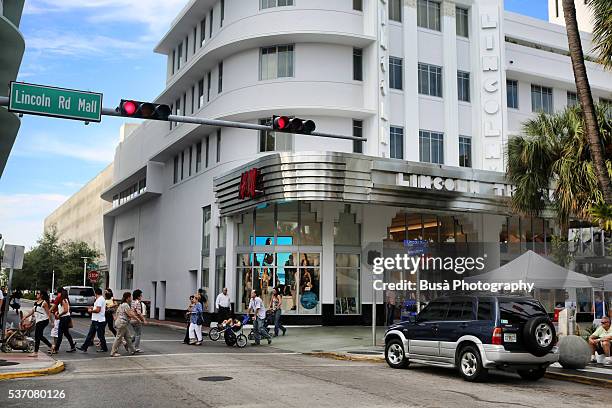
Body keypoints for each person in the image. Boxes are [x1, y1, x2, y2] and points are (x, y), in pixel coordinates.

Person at [21, 290, 52, 357]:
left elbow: (48, 313)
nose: (36, 294)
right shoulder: (36, 303)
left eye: (38, 293)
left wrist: (52, 322)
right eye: (36, 293)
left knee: (37, 336)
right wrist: (25, 317)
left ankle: (36, 352)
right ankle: (51, 346)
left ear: (41, 295)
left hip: (44, 320)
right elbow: (32, 312)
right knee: (39, 336)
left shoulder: (44, 303)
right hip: (38, 321)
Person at [78, 288, 108, 353]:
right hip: (96, 320)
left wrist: (91, 310)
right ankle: (84, 347)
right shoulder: (99, 299)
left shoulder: (100, 299)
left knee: (100, 335)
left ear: (96, 293)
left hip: (99, 320)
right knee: (90, 334)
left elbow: (98, 310)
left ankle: (104, 348)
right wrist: (92, 307)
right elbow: (97, 308)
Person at [110, 292, 139, 357]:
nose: (131, 298)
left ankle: (133, 350)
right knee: (119, 338)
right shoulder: (125, 305)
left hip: (122, 323)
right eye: (130, 297)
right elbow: (130, 314)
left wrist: (116, 321)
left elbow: (117, 313)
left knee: (128, 337)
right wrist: (138, 319)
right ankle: (113, 352)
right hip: (122, 323)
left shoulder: (121, 304)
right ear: (127, 298)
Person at [51, 288, 76, 354]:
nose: (59, 294)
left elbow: (66, 310)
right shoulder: (65, 300)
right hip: (65, 318)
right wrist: (58, 312)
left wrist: (59, 314)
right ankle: (72, 346)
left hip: (64, 318)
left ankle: (56, 349)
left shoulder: (64, 300)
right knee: (66, 334)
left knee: (60, 334)